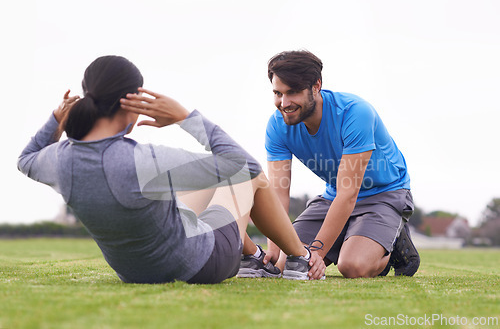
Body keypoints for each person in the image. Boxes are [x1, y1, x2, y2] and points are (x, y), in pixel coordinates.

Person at [17, 55, 326, 284]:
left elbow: (26, 159)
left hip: (134, 273)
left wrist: (55, 119)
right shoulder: (142, 160)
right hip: (201, 264)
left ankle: (254, 257)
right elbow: (244, 166)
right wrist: (185, 117)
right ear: (134, 101)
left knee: (191, 195)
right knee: (250, 178)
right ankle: (300, 258)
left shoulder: (60, 160)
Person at [238, 50, 420, 278]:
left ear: (316, 86)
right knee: (287, 263)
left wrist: (316, 252)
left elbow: (349, 193)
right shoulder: (277, 125)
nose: (284, 103)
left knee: (352, 266)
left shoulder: (355, 113)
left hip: (383, 195)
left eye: (292, 92)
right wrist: (274, 249)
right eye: (277, 93)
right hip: (332, 198)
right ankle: (350, 237)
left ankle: (391, 247)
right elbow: (278, 192)